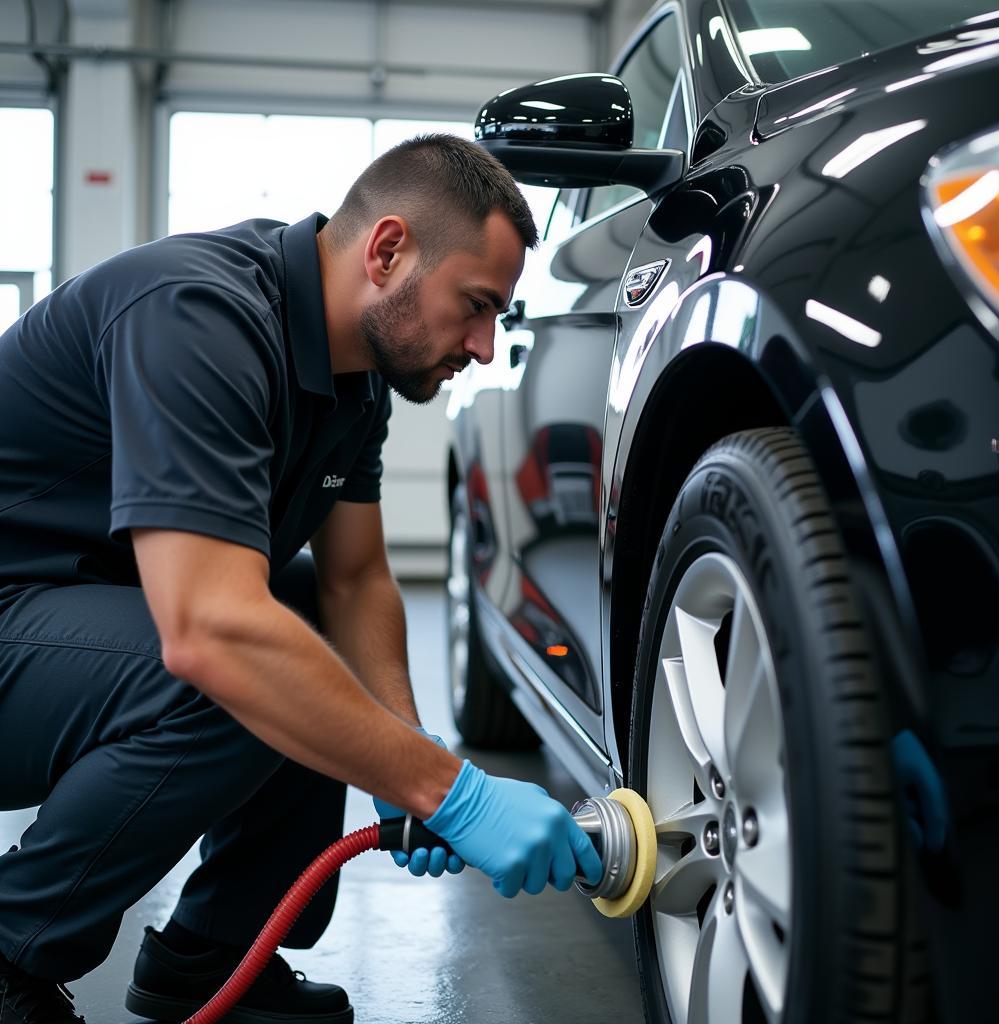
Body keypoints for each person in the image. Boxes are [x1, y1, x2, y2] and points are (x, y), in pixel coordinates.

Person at [0, 134, 603, 1024]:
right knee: (227, 663)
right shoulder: (197, 315)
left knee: (301, 604)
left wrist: (413, 772)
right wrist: (453, 791)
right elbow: (209, 629)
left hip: (68, 631)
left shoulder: (354, 386)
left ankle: (214, 955)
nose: (483, 348)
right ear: (388, 250)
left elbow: (357, 583)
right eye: (475, 306)